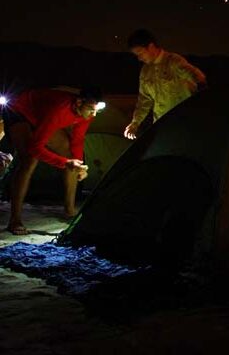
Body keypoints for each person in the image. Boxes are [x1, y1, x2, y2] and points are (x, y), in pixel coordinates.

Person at [2, 86, 103, 235]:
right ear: (79, 103)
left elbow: (77, 140)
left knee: (70, 153)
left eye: (96, 111)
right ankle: (15, 220)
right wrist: (65, 163)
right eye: (91, 110)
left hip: (39, 115)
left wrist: (79, 166)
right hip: (19, 111)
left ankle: (70, 211)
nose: (93, 114)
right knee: (29, 160)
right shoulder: (59, 111)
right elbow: (35, 148)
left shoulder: (87, 113)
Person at [123, 29, 207, 140]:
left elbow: (197, 77)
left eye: (140, 53)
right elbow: (144, 100)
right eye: (136, 55)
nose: (139, 58)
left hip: (182, 125)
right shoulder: (145, 71)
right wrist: (135, 123)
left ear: (151, 47)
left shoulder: (173, 61)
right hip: (161, 126)